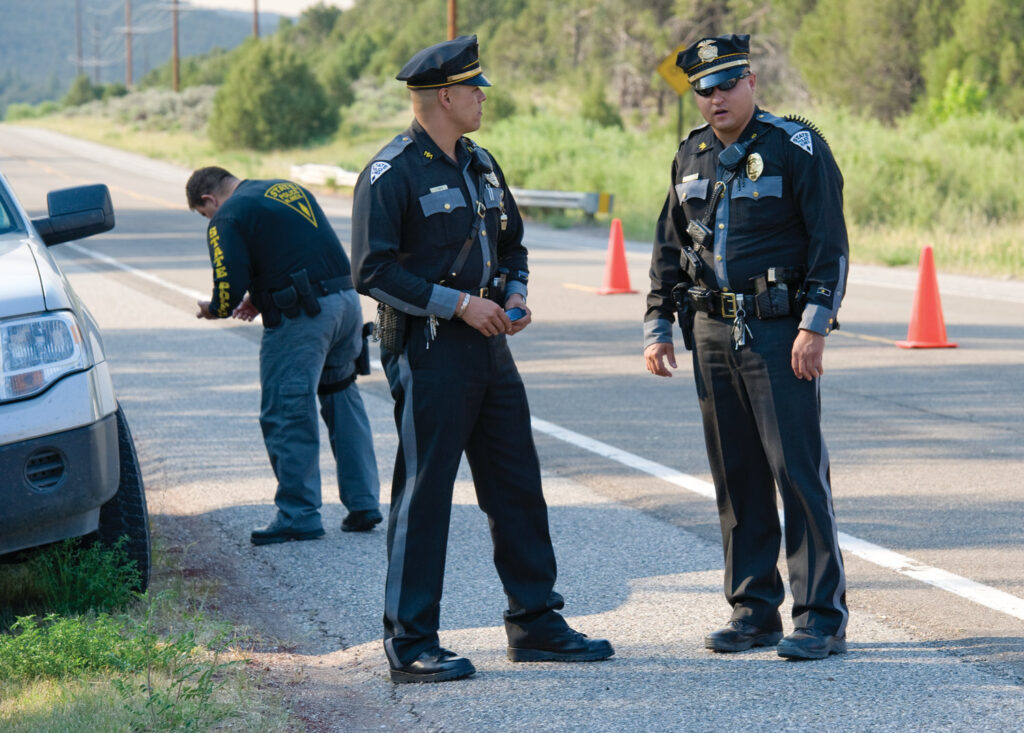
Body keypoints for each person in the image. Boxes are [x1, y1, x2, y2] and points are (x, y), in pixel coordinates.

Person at [351, 35, 613, 683]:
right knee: (426, 494)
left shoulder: (482, 164)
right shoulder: (392, 173)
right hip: (431, 350)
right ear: (444, 96)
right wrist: (457, 304)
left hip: (492, 348)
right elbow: (371, 269)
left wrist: (516, 292)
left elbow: (513, 243)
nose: (482, 97)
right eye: (474, 89)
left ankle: (536, 622)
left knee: (516, 485)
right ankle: (411, 641)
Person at [643, 34, 849, 660]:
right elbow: (669, 249)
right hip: (709, 332)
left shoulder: (796, 148)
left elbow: (830, 243)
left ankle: (819, 617)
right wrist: (657, 324)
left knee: (796, 470)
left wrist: (814, 324)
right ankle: (753, 610)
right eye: (702, 90)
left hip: (779, 332)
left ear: (751, 81)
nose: (714, 98)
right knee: (736, 476)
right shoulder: (692, 155)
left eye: (726, 84)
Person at [186, 167, 383, 545]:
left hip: (303, 319)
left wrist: (215, 307)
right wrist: (258, 299)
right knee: (342, 397)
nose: (208, 219)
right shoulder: (283, 189)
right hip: (345, 305)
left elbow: (226, 289)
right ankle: (363, 503)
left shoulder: (228, 216)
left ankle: (299, 515)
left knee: (287, 410)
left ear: (209, 200)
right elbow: (292, 251)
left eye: (203, 213)